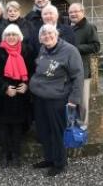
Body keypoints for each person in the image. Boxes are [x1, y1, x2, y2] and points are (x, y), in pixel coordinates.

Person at [29, 24, 84, 176]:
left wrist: (74, 99)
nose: (47, 36)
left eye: (50, 33)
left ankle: (60, 163)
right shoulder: (43, 49)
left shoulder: (70, 51)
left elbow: (78, 76)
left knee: (56, 131)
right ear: (40, 38)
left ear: (57, 34)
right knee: (44, 131)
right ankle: (49, 158)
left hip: (57, 98)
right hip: (40, 97)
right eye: (44, 34)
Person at [0, 24, 33, 168]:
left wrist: (27, 84)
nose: (11, 37)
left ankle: (16, 154)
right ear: (4, 37)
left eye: (14, 34)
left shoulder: (28, 51)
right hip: (3, 96)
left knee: (18, 127)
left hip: (20, 95)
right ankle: (5, 154)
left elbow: (34, 71)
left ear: (19, 37)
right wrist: (5, 87)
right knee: (3, 127)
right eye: (8, 35)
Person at [69, 3, 100, 125]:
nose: (73, 14)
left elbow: (96, 46)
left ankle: (82, 126)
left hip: (83, 69)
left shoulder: (89, 27)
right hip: (69, 69)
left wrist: (76, 48)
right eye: (71, 12)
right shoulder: (69, 28)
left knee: (82, 101)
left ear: (83, 12)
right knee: (71, 99)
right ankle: (71, 124)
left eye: (76, 11)